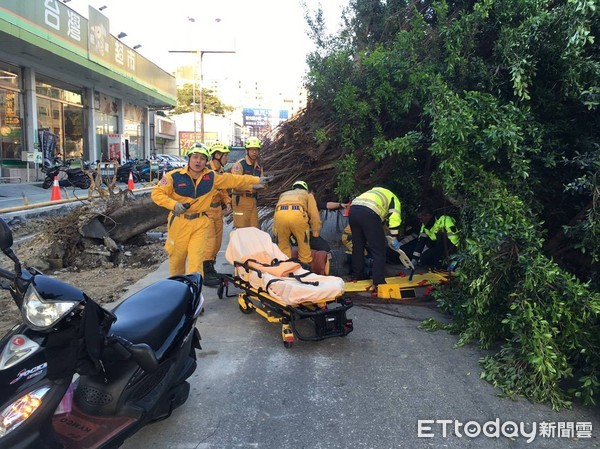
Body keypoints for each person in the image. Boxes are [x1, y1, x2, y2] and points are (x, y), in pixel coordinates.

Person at [151, 143, 267, 278]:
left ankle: (195, 290)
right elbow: (157, 193)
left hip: (200, 223)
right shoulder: (174, 176)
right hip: (179, 223)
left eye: (202, 158)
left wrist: (257, 179)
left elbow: (234, 179)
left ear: (206, 161)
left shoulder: (211, 177)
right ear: (189, 158)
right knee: (177, 260)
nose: (198, 161)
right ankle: (178, 289)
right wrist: (174, 204)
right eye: (195, 157)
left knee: (196, 262)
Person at [348, 187, 402, 289]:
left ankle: (357, 275)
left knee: (358, 246)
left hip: (353, 210)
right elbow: (394, 219)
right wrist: (394, 237)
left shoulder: (374, 192)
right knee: (379, 249)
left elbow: (380, 220)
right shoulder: (394, 199)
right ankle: (378, 282)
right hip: (369, 213)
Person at [202, 141, 232, 286]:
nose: (227, 158)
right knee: (210, 242)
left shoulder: (221, 173)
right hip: (206, 211)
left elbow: (224, 190)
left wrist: (227, 202)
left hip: (217, 211)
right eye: (225, 155)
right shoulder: (206, 172)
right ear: (218, 155)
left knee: (218, 242)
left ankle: (211, 268)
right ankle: (205, 273)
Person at [273, 180, 321, 268]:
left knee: (283, 245)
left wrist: (275, 231)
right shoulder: (308, 194)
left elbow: (276, 210)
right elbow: (314, 214)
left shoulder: (284, 194)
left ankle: (285, 268)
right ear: (306, 188)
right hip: (297, 215)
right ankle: (305, 267)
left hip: (280, 216)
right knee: (303, 243)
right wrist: (315, 233)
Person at [231, 136, 263, 228]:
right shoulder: (240, 165)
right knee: (241, 228)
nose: (254, 152)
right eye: (252, 150)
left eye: (256, 150)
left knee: (254, 229)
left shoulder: (258, 166)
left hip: (252, 200)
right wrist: (252, 187)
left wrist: (265, 185)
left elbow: (261, 182)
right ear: (246, 151)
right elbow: (235, 184)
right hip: (240, 201)